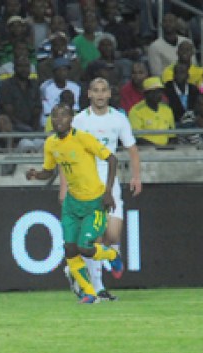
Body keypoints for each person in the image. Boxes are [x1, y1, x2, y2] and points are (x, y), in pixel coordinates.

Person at [26, 103, 123, 304]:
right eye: (54, 116)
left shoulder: (82, 138)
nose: (58, 120)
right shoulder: (51, 143)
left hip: (94, 201)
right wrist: (36, 174)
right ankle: (90, 293)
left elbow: (112, 159)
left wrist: (108, 192)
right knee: (70, 249)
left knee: (86, 247)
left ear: (71, 119)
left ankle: (112, 254)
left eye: (63, 116)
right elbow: (50, 171)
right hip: (72, 203)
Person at [64, 78, 141, 301]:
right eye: (95, 90)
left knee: (113, 234)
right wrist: (64, 186)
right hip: (86, 184)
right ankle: (97, 288)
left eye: (103, 91)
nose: (99, 95)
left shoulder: (118, 119)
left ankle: (75, 271)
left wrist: (136, 176)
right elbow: (67, 153)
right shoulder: (79, 120)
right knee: (94, 236)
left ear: (109, 94)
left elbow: (132, 149)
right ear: (88, 94)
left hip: (111, 183)